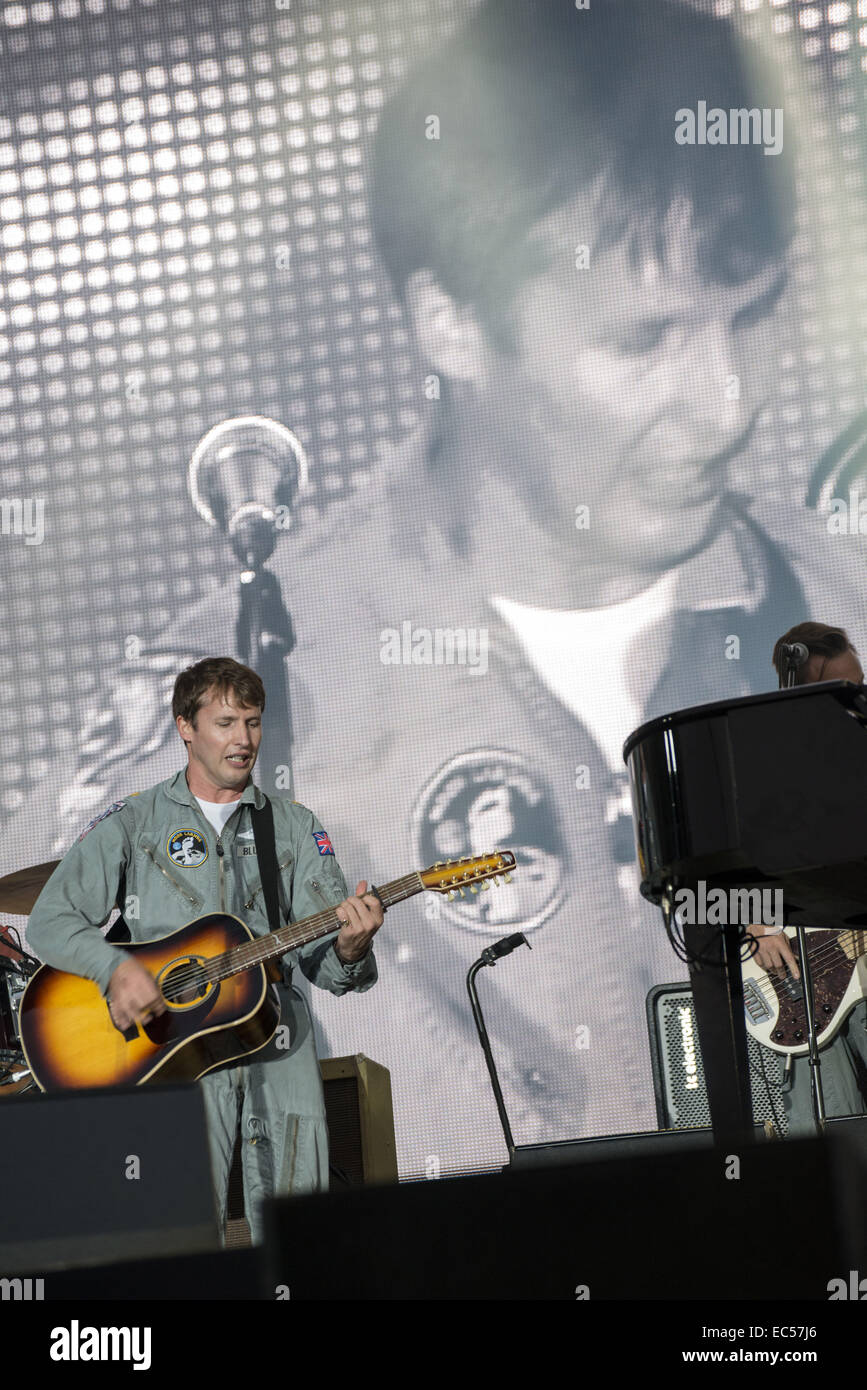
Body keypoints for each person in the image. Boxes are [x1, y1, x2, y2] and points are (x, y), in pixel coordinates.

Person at [18, 0, 867, 1174]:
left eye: (756, 313)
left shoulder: (847, 600)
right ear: (450, 322)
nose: (727, 400)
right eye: (645, 338)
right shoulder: (240, 686)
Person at [25, 657, 384, 1244]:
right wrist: (114, 969)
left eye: (253, 722)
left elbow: (328, 967)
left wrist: (350, 947)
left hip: (278, 1042)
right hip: (170, 1049)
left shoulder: (292, 826)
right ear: (184, 727)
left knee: (301, 1241)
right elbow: (49, 921)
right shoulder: (135, 820)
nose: (244, 740)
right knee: (180, 1240)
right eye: (225, 723)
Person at [746, 622, 867, 1135]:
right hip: (803, 981)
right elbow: (690, 894)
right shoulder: (756, 766)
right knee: (832, 1136)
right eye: (841, 692)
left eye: (858, 687)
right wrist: (757, 925)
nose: (856, 702)